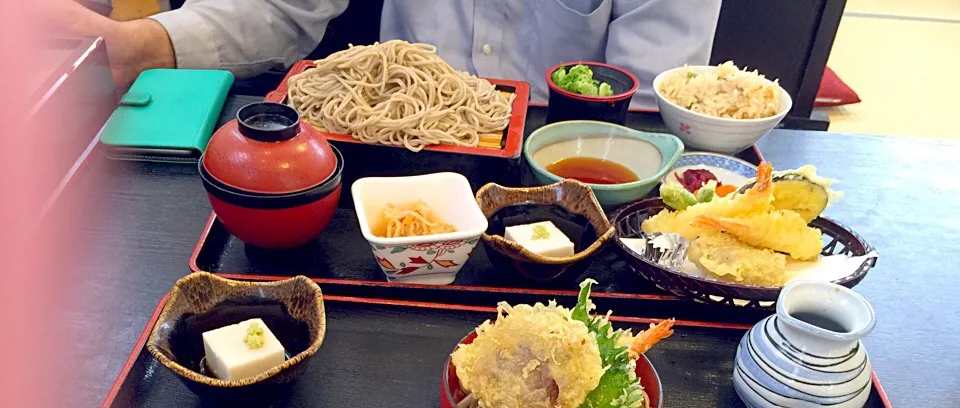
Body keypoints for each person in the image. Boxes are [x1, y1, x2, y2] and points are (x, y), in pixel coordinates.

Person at [41, 0, 722, 106]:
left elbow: (659, 98)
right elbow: (282, 7)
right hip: (389, 155)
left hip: (574, 188)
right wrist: (143, 43)